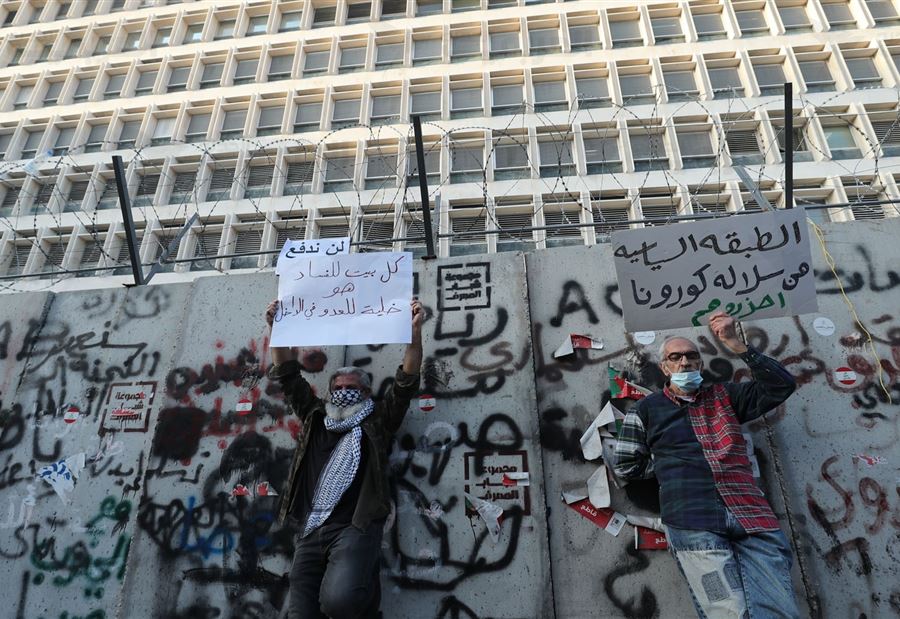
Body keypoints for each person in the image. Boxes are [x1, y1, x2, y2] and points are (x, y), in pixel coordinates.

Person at [614, 310, 800, 619]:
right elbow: (625, 465)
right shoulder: (646, 410)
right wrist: (670, 468)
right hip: (692, 522)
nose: (684, 362)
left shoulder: (726, 396)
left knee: (781, 611)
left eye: (691, 356)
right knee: (728, 613)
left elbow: (781, 386)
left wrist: (736, 344)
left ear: (700, 364)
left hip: (752, 516)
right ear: (664, 368)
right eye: (675, 357)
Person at [264, 298, 424, 619]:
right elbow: (287, 374)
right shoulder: (315, 415)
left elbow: (406, 381)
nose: (344, 392)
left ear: (366, 394)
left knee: (340, 602)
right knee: (300, 613)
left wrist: (414, 333)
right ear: (329, 392)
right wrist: (276, 328)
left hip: (354, 526)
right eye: (338, 387)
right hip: (311, 526)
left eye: (352, 388)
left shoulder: (378, 420)